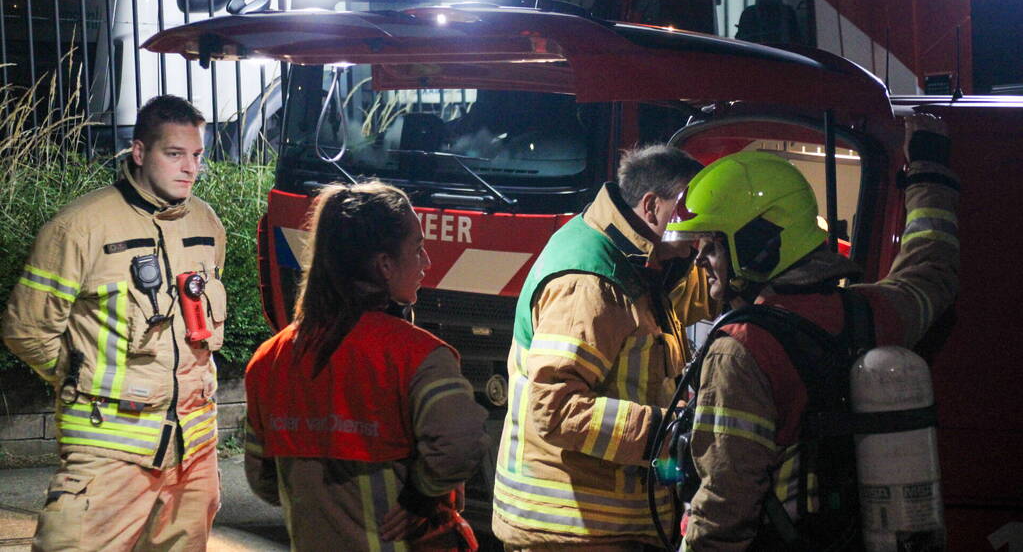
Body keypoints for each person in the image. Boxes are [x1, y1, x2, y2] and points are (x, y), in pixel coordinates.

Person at [662, 115, 959, 550]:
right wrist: (930, 173)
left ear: (758, 243)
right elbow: (932, 269)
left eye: (711, 246)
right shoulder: (871, 313)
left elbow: (726, 503)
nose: (701, 261)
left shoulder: (742, 350)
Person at [2, 95, 226, 551]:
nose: (190, 168)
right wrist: (82, 376)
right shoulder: (80, 227)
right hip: (108, 451)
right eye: (175, 154)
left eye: (197, 155)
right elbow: (26, 329)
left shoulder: (205, 221)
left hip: (194, 453)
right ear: (139, 152)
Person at [243, 181, 490, 551]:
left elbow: (263, 480)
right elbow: (461, 447)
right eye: (418, 249)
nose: (426, 263)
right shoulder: (418, 356)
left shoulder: (269, 361)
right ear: (385, 265)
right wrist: (419, 498)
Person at [492, 143, 714, 549]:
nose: (697, 232)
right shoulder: (589, 283)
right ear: (651, 207)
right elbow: (554, 409)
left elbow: (693, 298)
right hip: (572, 531)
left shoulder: (639, 259)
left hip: (601, 527)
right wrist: (671, 430)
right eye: (688, 213)